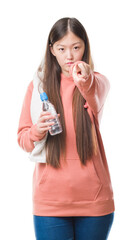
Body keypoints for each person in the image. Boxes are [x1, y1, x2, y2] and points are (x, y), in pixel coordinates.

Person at [17, 17, 115, 240]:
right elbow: (23, 138)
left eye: (76, 48)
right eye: (62, 48)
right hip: (49, 203)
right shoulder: (38, 86)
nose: (69, 56)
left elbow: (94, 90)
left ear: (84, 48)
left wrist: (84, 78)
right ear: (52, 50)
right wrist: (36, 131)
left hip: (94, 201)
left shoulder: (96, 82)